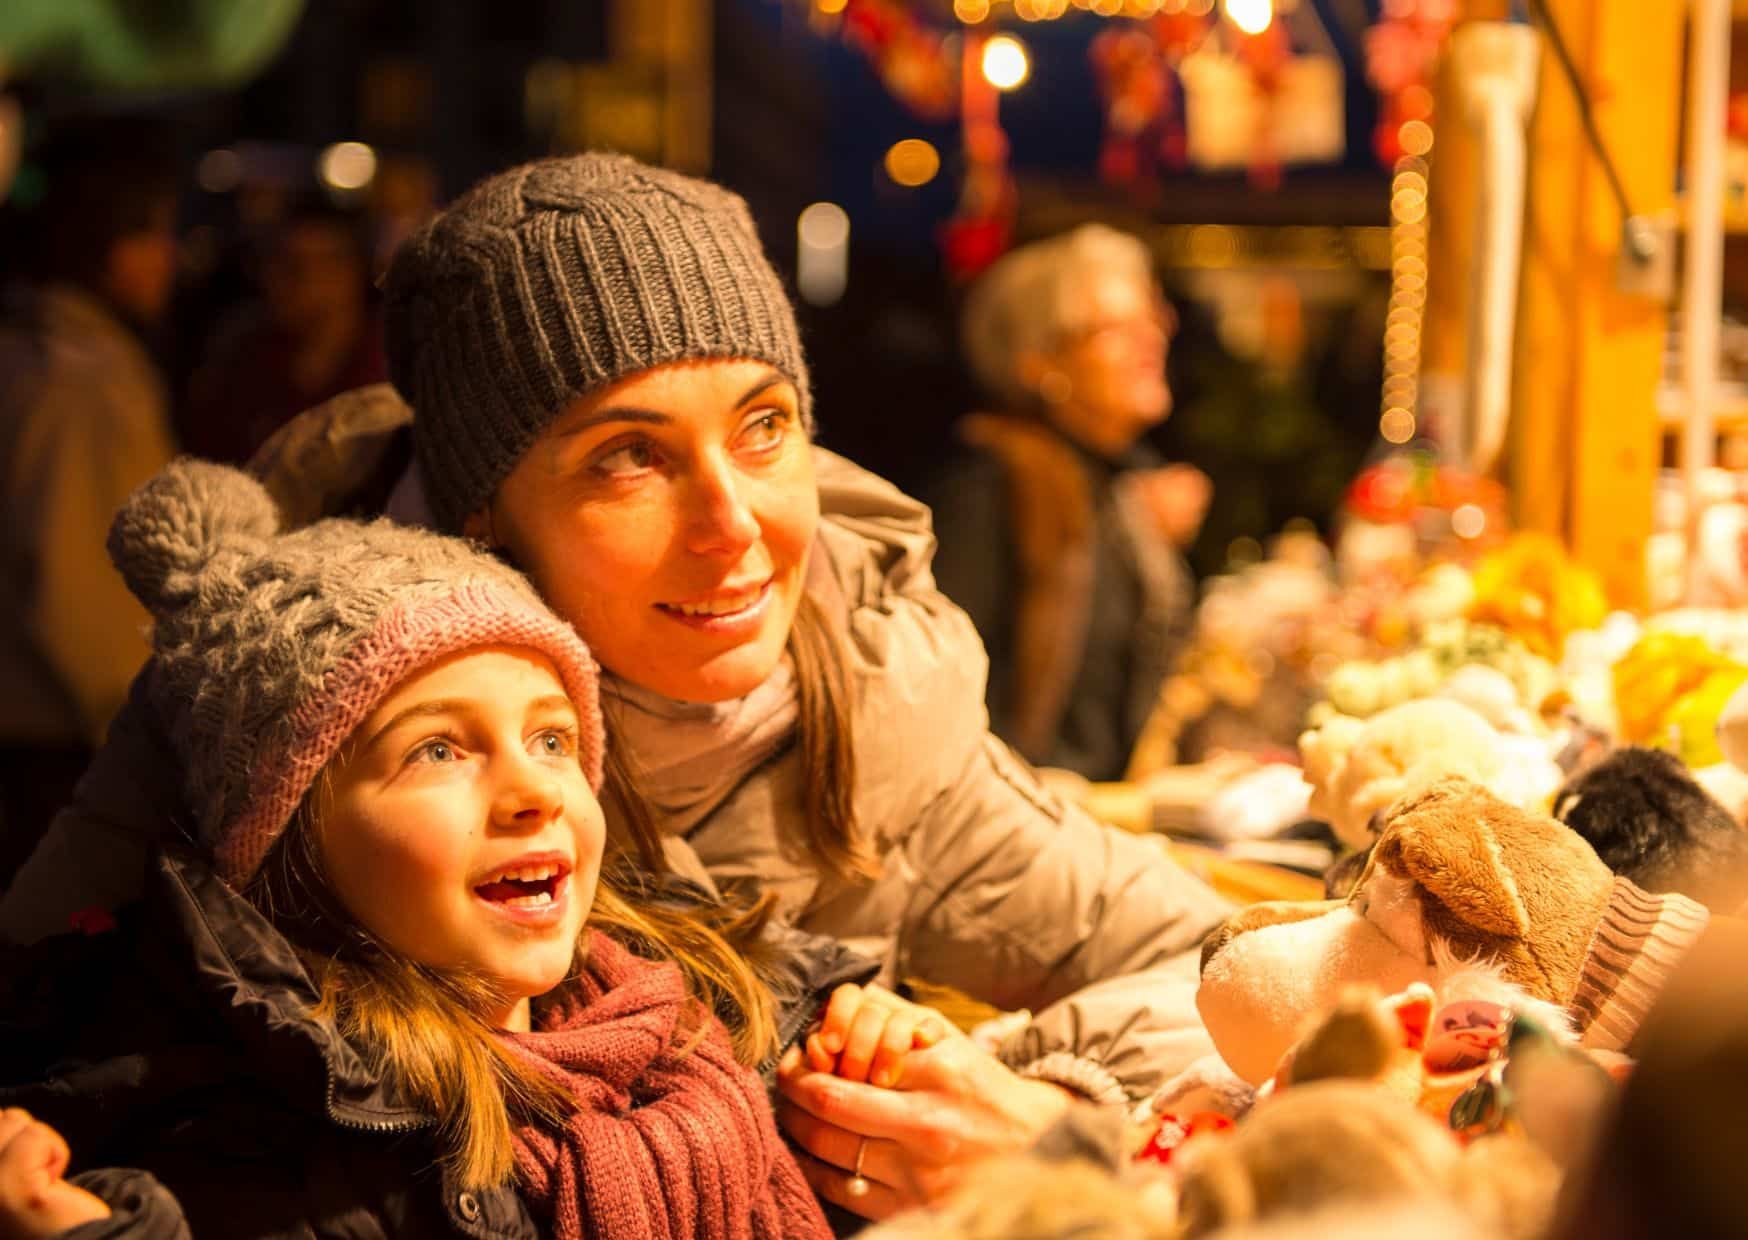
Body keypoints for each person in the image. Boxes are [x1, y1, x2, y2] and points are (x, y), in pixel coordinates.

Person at [2, 154, 1231, 1219]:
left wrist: (1043, 1112)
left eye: (762, 426)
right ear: (481, 517)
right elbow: (35, 1023)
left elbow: (1222, 968)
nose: (733, 526)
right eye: (628, 457)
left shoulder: (870, 709)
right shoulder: (270, 702)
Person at [0, 458, 940, 1238]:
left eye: (552, 739)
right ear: (289, 838)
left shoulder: (700, 991)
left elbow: (819, 1005)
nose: (534, 791)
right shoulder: (264, 1138)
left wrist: (876, 1032)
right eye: (438, 750)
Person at [920, 225, 1211, 782]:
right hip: (1022, 827)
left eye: (1150, 316)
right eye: (1112, 328)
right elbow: (946, 710)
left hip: (1104, 817)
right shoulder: (990, 486)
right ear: (1040, 363)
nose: (1150, 338)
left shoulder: (1113, 486)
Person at [0, 119, 179, 887]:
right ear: (113, 247)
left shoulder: (37, 349)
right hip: (56, 741)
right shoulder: (80, 377)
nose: (169, 259)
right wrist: (134, 733)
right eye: (158, 236)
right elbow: (75, 583)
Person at [179, 195, 387, 465]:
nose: (306, 281)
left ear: (357, 272)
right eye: (287, 263)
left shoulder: (391, 369)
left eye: (326, 263)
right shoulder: (239, 366)